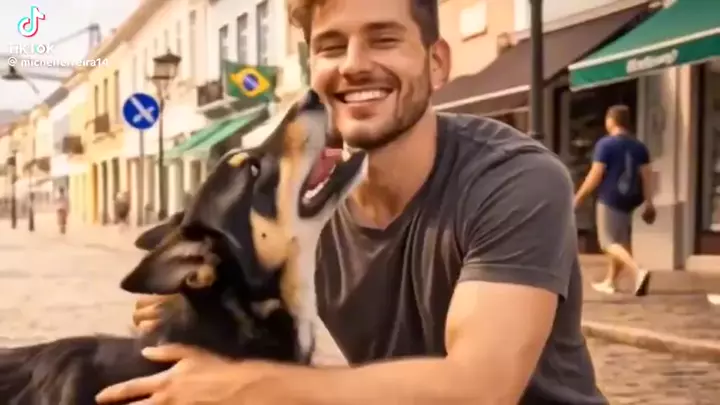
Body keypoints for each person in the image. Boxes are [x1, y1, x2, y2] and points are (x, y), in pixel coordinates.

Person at [96, 0, 606, 403]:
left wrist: (247, 387)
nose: (354, 65)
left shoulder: (513, 179)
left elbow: (480, 388)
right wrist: (201, 301)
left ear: (436, 62)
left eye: (384, 39)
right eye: (331, 46)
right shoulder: (302, 205)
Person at [574, 105, 655, 296]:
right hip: (630, 199)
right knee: (621, 242)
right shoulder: (639, 147)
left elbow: (596, 174)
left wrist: (578, 197)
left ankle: (637, 270)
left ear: (611, 120)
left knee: (608, 242)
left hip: (610, 197)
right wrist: (649, 202)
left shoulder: (606, 144)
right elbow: (647, 176)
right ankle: (610, 282)